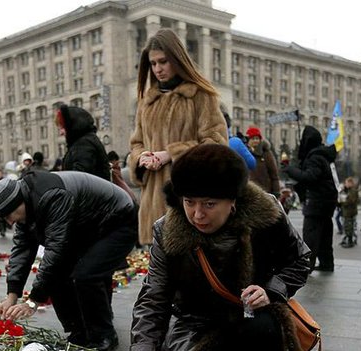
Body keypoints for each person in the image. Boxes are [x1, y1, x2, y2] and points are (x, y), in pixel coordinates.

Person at [111, 144, 311, 351]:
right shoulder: (168, 231)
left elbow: (300, 259)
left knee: (262, 341)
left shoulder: (267, 214)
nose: (197, 214)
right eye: (189, 202)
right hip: (196, 322)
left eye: (209, 203)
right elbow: (153, 297)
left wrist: (272, 290)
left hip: (252, 315)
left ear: (233, 199)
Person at [0, 170, 137, 351]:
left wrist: (33, 300)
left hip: (117, 219)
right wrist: (11, 296)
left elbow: (56, 251)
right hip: (87, 225)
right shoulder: (25, 208)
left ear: (19, 201)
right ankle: (79, 331)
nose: (10, 221)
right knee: (58, 276)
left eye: (10, 214)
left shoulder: (52, 196)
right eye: (4, 218)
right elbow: (22, 251)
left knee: (87, 275)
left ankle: (103, 335)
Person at [128, 28, 228, 245]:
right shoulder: (147, 102)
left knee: (191, 272)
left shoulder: (201, 95)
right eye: (153, 63)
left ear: (177, 59)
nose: (157, 69)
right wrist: (142, 157)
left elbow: (217, 143)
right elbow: (136, 142)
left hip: (192, 204)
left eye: (163, 61)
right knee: (159, 273)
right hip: (153, 205)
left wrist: (171, 154)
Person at [285, 126, 338, 272]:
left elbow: (310, 177)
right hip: (327, 201)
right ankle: (327, 263)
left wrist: (290, 170)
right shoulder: (323, 155)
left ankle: (307, 266)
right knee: (325, 233)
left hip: (317, 201)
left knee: (311, 235)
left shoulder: (314, 157)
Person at [56, 104, 111, 180]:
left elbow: (78, 178)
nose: (61, 133)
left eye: (63, 127)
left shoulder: (83, 144)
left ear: (72, 125)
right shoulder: (86, 140)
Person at [245, 126, 281, 195]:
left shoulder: (266, 153)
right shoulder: (244, 153)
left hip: (264, 192)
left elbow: (274, 174)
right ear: (248, 140)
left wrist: (276, 191)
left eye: (257, 138)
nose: (255, 141)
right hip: (247, 192)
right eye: (253, 138)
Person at [340, 177, 359, 248]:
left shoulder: (353, 191)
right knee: (347, 226)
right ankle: (348, 240)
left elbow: (351, 201)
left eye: (346, 183)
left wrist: (342, 202)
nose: (345, 184)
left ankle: (350, 242)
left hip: (350, 212)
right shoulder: (348, 190)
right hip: (347, 212)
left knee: (349, 227)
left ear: (350, 183)